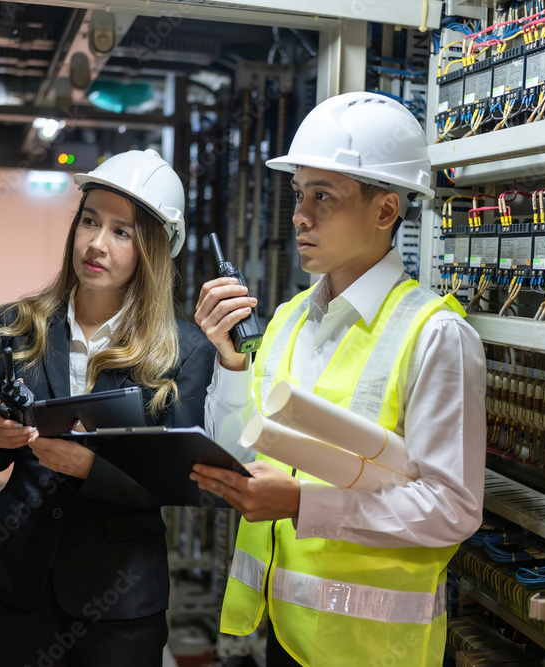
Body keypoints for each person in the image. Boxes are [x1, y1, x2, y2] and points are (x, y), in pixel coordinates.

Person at [191, 92, 486, 666]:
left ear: (385, 210)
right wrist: (230, 365)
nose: (300, 215)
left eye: (324, 197)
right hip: (283, 635)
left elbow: (453, 508)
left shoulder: (435, 336)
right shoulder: (287, 320)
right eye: (299, 194)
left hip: (373, 649)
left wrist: (305, 504)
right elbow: (236, 451)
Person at [0, 149, 215, 666]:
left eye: (122, 232)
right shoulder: (16, 326)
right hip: (20, 580)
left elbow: (184, 481)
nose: (96, 243)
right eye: (90, 221)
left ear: (154, 249)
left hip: (121, 596)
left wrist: (92, 468)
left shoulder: (185, 351)